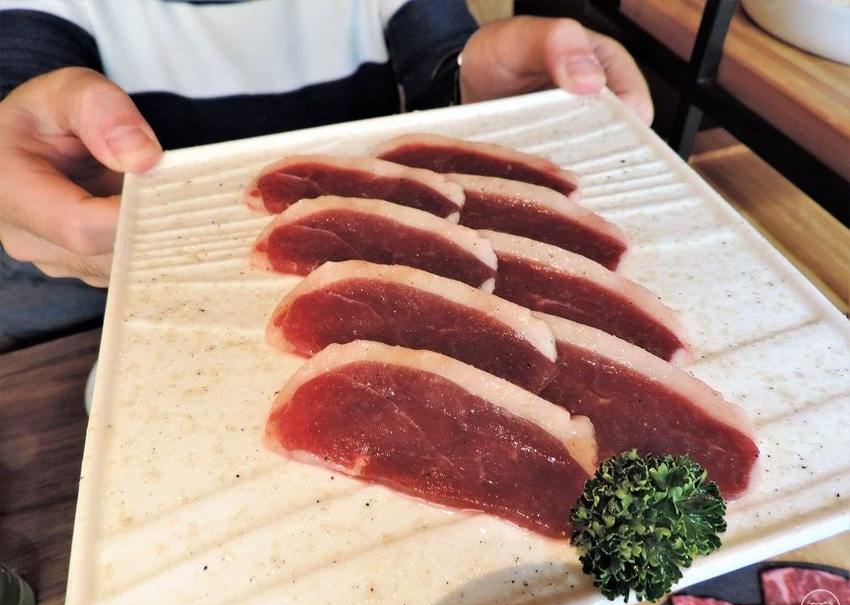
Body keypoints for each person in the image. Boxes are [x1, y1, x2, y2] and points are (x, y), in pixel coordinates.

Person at [0, 0, 651, 350]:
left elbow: (436, 53)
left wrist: (476, 87)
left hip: (380, 297)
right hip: (140, 323)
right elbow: (23, 80)